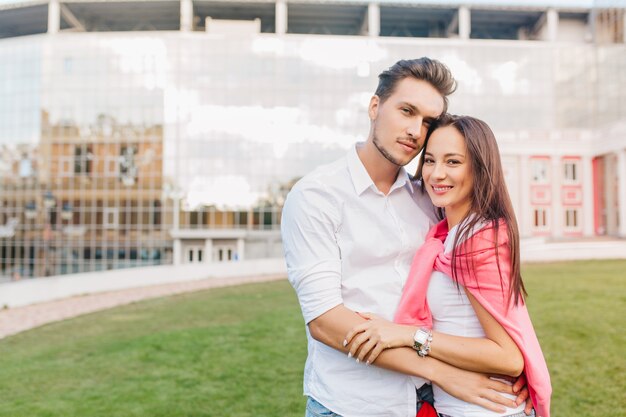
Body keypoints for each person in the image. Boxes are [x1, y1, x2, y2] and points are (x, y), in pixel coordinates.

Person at [281, 58, 530, 417]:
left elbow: (486, 284)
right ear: (374, 106)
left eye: (428, 122)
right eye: (407, 111)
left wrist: (511, 362)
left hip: (428, 404)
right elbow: (325, 322)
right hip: (351, 405)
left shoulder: (430, 197)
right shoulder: (316, 197)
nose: (416, 130)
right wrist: (443, 372)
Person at [344, 115, 551, 417]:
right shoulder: (446, 236)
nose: (436, 174)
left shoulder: (477, 240)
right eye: (429, 161)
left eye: (453, 162)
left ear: (479, 168)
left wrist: (407, 335)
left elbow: (508, 357)